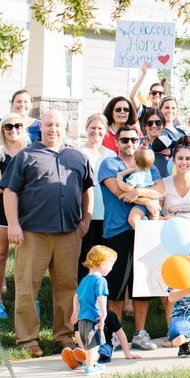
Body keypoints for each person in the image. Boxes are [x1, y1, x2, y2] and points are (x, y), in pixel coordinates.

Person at [2, 110, 94, 357]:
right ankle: (27, 339)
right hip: (33, 233)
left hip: (68, 233)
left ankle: (64, 335)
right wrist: (13, 224)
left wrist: (86, 219)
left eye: (58, 125)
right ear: (40, 127)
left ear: (65, 128)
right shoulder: (25, 156)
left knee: (67, 286)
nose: (53, 129)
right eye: (49, 125)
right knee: (27, 287)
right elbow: (10, 191)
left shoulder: (77, 156)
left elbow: (88, 189)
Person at [97, 123, 164, 352]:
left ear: (139, 142)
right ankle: (114, 334)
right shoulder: (110, 164)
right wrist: (146, 201)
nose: (129, 144)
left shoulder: (146, 164)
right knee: (116, 287)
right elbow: (118, 192)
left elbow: (161, 190)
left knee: (141, 285)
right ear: (116, 142)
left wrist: (139, 192)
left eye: (133, 140)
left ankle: (139, 333)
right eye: (124, 140)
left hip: (143, 232)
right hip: (117, 232)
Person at [0, 112, 31, 317]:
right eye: (9, 126)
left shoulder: (32, 152)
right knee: (0, 255)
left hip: (29, 211)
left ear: (24, 128)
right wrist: (22, 188)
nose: (14, 130)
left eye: (18, 126)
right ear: (2, 130)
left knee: (29, 257)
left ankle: (30, 300)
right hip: (1, 211)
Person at [77, 114, 115, 283]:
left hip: (107, 215)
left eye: (100, 128)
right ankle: (83, 294)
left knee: (104, 259)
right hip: (87, 214)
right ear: (86, 128)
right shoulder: (78, 152)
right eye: (93, 127)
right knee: (86, 258)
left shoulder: (111, 154)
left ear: (105, 131)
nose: (96, 132)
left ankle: (101, 295)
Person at [69, 245, 115, 375]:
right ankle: (89, 367)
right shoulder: (101, 280)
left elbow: (76, 296)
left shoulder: (85, 280)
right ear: (103, 264)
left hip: (83, 318)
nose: (111, 269)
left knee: (91, 342)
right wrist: (104, 313)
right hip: (93, 317)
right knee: (93, 344)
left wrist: (75, 312)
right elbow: (101, 298)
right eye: (111, 265)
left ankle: (91, 363)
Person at [0, 89, 41, 157]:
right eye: (18, 101)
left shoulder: (40, 125)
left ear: (31, 105)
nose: (22, 105)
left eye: (25, 102)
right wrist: (4, 152)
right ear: (12, 105)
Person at [161, 137, 190, 222]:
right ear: (174, 160)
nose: (184, 162)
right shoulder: (164, 183)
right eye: (180, 158)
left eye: (188, 158)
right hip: (170, 231)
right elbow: (154, 214)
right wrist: (162, 218)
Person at [120, 147, 162, 224]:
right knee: (154, 224)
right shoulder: (148, 172)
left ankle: (142, 234)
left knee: (133, 220)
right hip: (155, 201)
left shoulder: (135, 176)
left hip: (142, 204)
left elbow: (127, 188)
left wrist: (119, 178)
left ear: (135, 161)